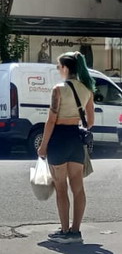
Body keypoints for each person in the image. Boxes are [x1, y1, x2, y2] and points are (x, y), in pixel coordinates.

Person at [37, 51, 95, 245]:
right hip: (75, 139)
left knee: (61, 188)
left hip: (58, 140)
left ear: (65, 68)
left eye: (59, 66)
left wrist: (43, 146)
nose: (58, 69)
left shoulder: (58, 89)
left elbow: (51, 120)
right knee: (78, 188)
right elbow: (90, 122)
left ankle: (64, 231)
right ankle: (75, 231)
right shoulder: (87, 89)